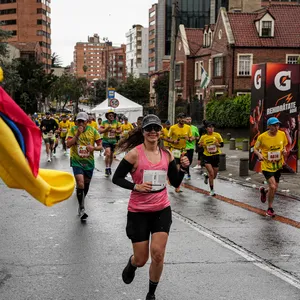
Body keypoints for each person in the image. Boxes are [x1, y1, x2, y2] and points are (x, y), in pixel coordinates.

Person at [112, 114, 189, 300]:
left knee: (158, 254)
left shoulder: (167, 154)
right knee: (141, 259)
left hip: (161, 209)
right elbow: (117, 178)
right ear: (143, 132)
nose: (153, 132)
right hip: (138, 211)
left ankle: (151, 293)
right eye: (149, 128)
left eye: (156, 128)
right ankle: (132, 264)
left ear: (161, 132)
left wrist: (184, 168)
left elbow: (176, 181)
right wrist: (135, 186)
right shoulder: (134, 154)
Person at [66, 112, 102, 221]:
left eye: (83, 121)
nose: (81, 123)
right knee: (80, 182)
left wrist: (94, 148)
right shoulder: (72, 130)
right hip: (76, 160)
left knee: (85, 185)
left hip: (89, 162)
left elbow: (101, 146)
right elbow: (68, 144)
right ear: (76, 122)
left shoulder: (93, 131)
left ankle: (81, 201)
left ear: (87, 122)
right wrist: (77, 134)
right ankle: (82, 208)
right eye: (79, 121)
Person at [254, 117, 288, 217]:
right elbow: (255, 149)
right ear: (269, 126)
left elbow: (284, 146)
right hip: (267, 165)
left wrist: (284, 151)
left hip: (278, 165)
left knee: (275, 187)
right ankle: (270, 208)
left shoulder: (282, 134)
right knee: (273, 186)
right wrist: (259, 155)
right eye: (273, 125)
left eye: (277, 125)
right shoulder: (262, 137)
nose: (276, 127)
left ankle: (264, 191)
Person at [167, 112, 192, 192]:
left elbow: (191, 139)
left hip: (183, 151)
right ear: (177, 119)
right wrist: (173, 141)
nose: (182, 120)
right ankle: (177, 187)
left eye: (184, 118)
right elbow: (167, 138)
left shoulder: (188, 127)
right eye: (180, 118)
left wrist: (188, 138)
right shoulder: (173, 128)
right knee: (177, 168)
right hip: (175, 150)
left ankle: (173, 180)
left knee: (183, 168)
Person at [198, 121, 224, 196]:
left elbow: (222, 145)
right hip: (207, 156)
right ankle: (212, 190)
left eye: (212, 127)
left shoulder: (217, 135)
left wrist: (217, 144)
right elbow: (199, 145)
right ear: (206, 128)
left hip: (216, 156)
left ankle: (207, 176)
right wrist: (201, 145)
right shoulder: (203, 137)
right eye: (209, 127)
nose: (211, 129)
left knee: (214, 176)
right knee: (211, 173)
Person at [99, 110, 122, 177]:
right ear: (107, 116)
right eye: (110, 115)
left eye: (112, 115)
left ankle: (109, 167)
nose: (111, 117)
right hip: (106, 141)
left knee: (111, 155)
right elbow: (100, 131)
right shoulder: (104, 123)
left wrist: (116, 131)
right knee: (108, 153)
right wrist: (106, 129)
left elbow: (120, 130)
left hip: (114, 142)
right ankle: (107, 167)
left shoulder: (116, 123)